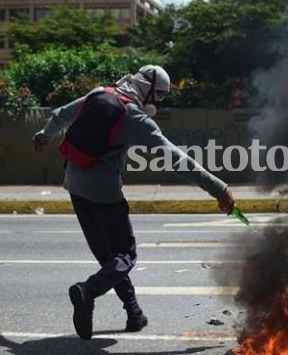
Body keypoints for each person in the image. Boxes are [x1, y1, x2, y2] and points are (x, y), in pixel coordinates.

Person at [32, 65, 235, 340]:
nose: (159, 102)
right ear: (147, 90)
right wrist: (218, 188)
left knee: (109, 257)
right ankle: (88, 290)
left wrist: (44, 136)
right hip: (104, 194)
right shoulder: (135, 117)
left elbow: (60, 115)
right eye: (159, 96)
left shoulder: (98, 93)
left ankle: (133, 312)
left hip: (74, 185)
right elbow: (175, 159)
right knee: (125, 256)